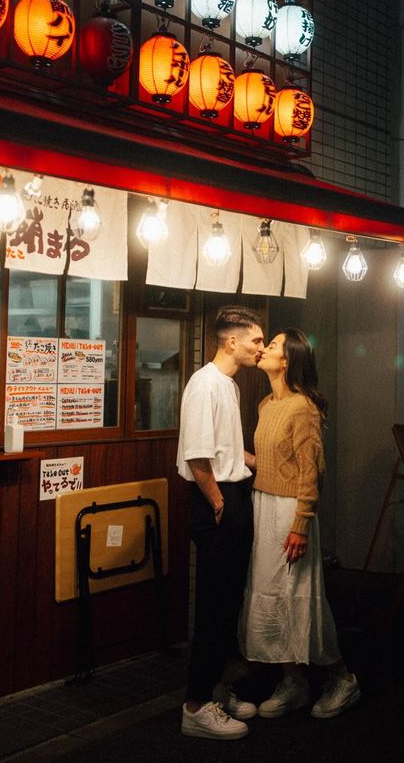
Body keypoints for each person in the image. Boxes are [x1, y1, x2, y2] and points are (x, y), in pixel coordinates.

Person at [239, 328, 361, 719]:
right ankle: (294, 681)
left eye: (271, 345)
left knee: (301, 599)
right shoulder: (266, 404)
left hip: (291, 511)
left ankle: (342, 678)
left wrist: (301, 524)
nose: (264, 350)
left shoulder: (302, 407)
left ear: (287, 360)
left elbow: (312, 473)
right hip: (265, 505)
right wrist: (230, 451)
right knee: (271, 596)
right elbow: (271, 463)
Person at [177, 305, 265, 741]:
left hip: (231, 494)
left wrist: (262, 462)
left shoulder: (227, 384)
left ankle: (215, 688)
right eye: (255, 341)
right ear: (232, 341)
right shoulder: (204, 384)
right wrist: (216, 502)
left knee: (228, 601)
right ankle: (195, 707)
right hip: (216, 499)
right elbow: (197, 455)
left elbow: (230, 448)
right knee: (213, 605)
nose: (260, 348)